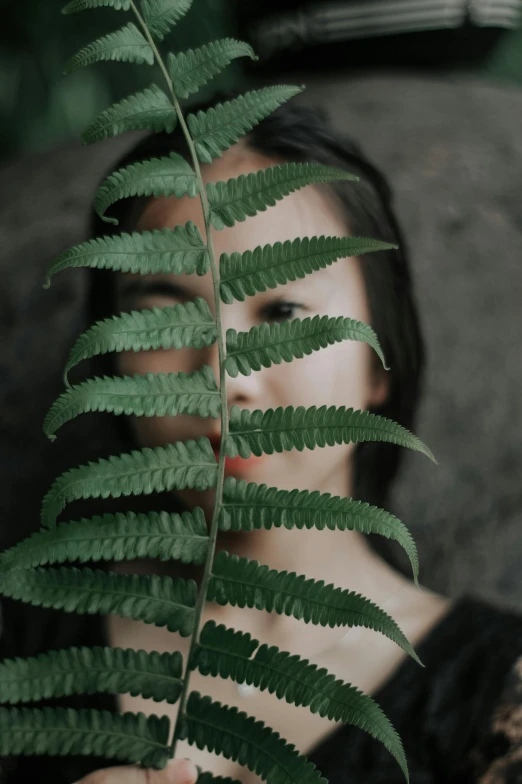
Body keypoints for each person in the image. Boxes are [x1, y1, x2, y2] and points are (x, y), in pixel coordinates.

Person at [1, 94, 522, 784]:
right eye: (167, 319)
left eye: (282, 310)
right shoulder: (20, 644)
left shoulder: (496, 691)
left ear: (379, 362)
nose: (225, 375)